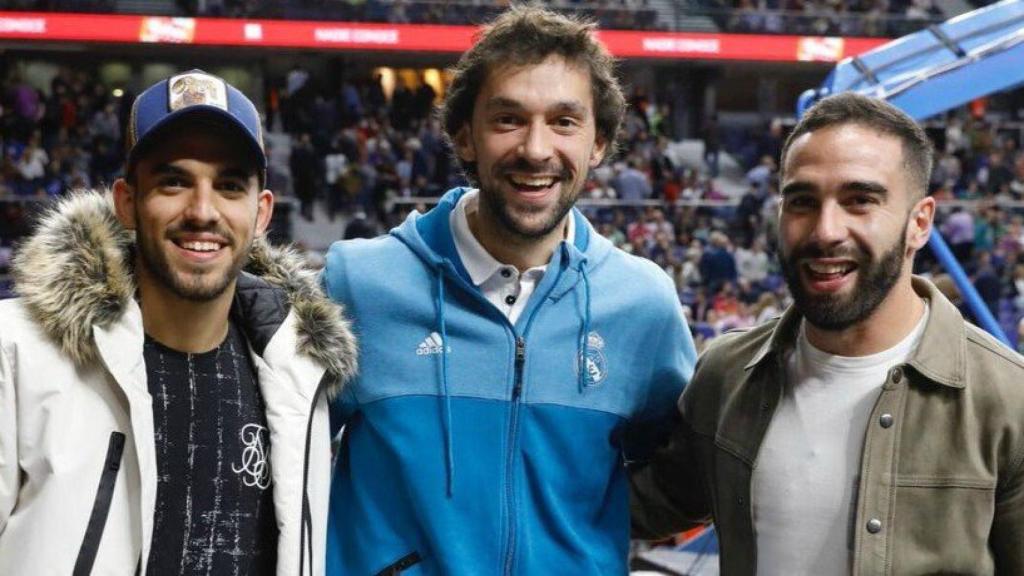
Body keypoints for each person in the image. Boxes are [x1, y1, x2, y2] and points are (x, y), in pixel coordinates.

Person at [322, 7, 697, 575]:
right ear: (463, 136)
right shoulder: (359, 283)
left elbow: (677, 475)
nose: (537, 149)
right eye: (508, 119)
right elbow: (274, 457)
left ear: (600, 143)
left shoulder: (642, 304)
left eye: (565, 122)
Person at [630, 92, 1024, 574]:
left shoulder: (1008, 401)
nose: (825, 230)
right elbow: (641, 504)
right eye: (802, 201)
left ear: (919, 223)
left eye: (860, 201)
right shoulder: (727, 376)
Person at [0, 70, 357, 575]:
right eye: (174, 181)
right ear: (127, 202)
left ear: (261, 214)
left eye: (229, 186)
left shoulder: (298, 379)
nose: (202, 211)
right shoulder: (17, 354)